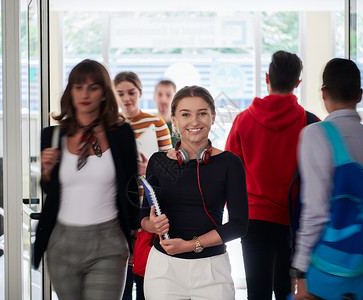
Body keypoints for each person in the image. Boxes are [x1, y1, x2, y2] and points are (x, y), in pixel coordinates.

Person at [33, 59, 140, 300]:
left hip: (108, 242)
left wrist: (135, 232)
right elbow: (51, 190)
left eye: (93, 87)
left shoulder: (121, 134)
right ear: (70, 91)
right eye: (78, 86)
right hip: (62, 243)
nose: (85, 94)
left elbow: (131, 188)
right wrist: (47, 172)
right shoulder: (52, 135)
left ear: (104, 93)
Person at [291, 58, 363, 299]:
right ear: (360, 95)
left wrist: (300, 268)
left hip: (326, 266)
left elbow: (315, 210)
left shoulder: (315, 135)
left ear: (324, 93)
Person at [140, 85, 249, 300]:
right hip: (164, 270)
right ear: (174, 120)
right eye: (185, 114)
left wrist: (191, 245)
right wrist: (151, 225)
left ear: (213, 117)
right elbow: (141, 216)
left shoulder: (229, 163)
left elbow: (239, 225)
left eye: (202, 113)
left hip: (212, 270)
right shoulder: (158, 162)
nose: (194, 122)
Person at [225, 50, 311, 300]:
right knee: (285, 290)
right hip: (292, 221)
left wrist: (235, 214)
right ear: (297, 83)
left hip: (252, 218)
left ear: (267, 78)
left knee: (257, 291)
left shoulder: (243, 121)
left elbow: (231, 174)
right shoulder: (309, 123)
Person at [114, 71, 172, 300]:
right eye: (120, 93)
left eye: (131, 92)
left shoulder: (156, 124)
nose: (127, 98)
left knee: (146, 276)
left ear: (140, 93)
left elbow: (171, 170)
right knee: (122, 277)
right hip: (119, 209)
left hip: (147, 208)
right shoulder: (111, 127)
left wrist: (150, 170)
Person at [153, 79, 179, 145]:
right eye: (160, 94)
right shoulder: (147, 125)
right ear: (154, 97)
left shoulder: (181, 128)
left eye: (168, 95)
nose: (163, 100)